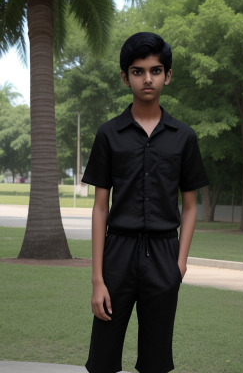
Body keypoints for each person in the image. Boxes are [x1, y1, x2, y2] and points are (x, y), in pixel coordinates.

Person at [82, 32, 209, 373]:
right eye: (138, 71)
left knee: (156, 360)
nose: (147, 78)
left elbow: (191, 205)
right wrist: (97, 278)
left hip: (164, 254)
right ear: (125, 77)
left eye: (155, 70)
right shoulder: (109, 134)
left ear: (167, 75)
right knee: (103, 358)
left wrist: (179, 264)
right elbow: (99, 207)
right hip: (117, 254)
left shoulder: (184, 137)